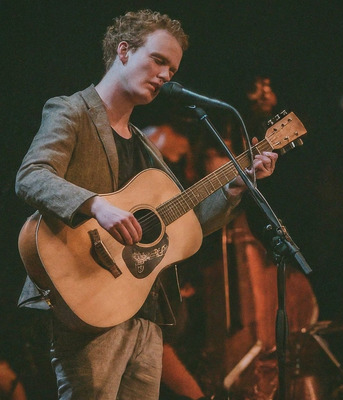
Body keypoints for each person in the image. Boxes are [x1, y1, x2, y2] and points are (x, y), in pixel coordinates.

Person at [15, 9, 278, 400]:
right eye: (159, 60)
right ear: (123, 51)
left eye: (172, 68)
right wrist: (96, 206)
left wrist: (234, 188)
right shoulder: (72, 111)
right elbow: (31, 175)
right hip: (91, 305)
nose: (167, 75)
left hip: (147, 314)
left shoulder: (145, 147)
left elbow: (185, 227)